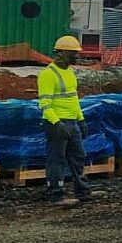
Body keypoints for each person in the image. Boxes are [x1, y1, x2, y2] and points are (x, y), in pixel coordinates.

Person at [38, 35, 91, 207]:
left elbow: (73, 99)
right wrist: (57, 123)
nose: (76, 56)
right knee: (57, 158)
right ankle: (56, 194)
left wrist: (81, 120)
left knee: (78, 156)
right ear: (63, 53)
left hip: (72, 122)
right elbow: (44, 103)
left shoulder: (69, 73)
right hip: (57, 124)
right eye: (73, 53)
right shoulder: (48, 74)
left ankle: (82, 190)